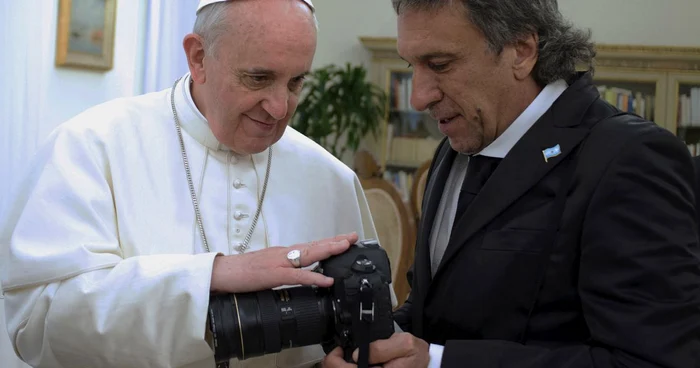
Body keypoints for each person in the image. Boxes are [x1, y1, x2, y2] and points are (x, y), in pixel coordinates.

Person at [1, 0, 380, 367]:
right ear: (198, 57)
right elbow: (35, 322)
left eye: (296, 82)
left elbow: (367, 324)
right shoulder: (91, 146)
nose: (280, 108)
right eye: (258, 78)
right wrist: (209, 278)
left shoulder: (330, 177)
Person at [322, 0, 700, 367]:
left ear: (522, 50)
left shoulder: (629, 158)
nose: (419, 96)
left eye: (439, 64)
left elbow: (650, 358)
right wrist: (375, 348)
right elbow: (431, 310)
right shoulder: (458, 147)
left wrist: (438, 362)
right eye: (411, 64)